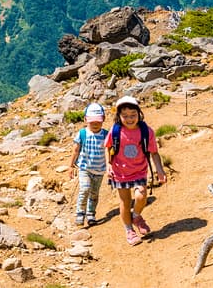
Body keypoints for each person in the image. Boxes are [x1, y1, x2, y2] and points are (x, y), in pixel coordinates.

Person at [105, 95, 167, 246]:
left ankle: (137, 216)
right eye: (125, 116)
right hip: (119, 172)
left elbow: (154, 152)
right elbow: (108, 147)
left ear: (139, 114)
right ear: (119, 117)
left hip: (139, 171)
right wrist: (108, 164)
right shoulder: (115, 131)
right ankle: (129, 230)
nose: (130, 119)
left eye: (133, 115)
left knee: (141, 196)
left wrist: (160, 170)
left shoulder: (146, 131)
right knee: (125, 202)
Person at [69, 102, 108, 227]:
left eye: (98, 121)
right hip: (84, 168)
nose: (95, 124)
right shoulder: (82, 134)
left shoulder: (106, 135)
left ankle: (91, 214)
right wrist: (71, 165)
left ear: (103, 119)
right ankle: (80, 213)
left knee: (94, 193)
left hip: (100, 170)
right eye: (92, 121)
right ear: (85, 119)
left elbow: (110, 151)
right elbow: (76, 149)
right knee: (84, 189)